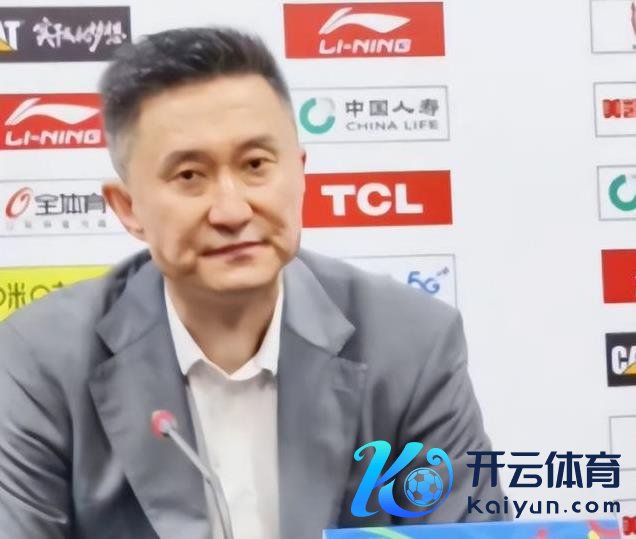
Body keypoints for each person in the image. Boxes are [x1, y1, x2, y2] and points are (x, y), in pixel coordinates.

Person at [0, 27, 504, 539]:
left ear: (300, 173)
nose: (232, 211)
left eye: (255, 165)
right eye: (190, 176)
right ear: (128, 209)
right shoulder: (44, 361)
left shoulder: (412, 345)